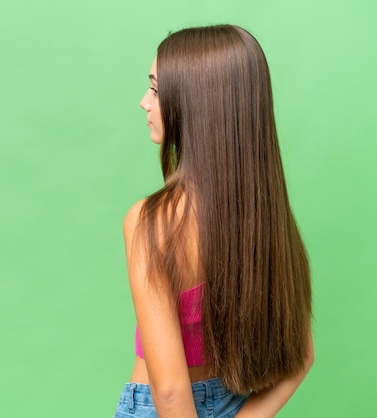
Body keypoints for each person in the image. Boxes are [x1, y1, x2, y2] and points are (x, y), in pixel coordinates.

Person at [113, 24, 314, 418]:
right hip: (236, 402)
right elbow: (302, 357)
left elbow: (170, 391)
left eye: (155, 89)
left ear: (193, 104)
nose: (144, 102)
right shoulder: (265, 218)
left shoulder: (151, 222)